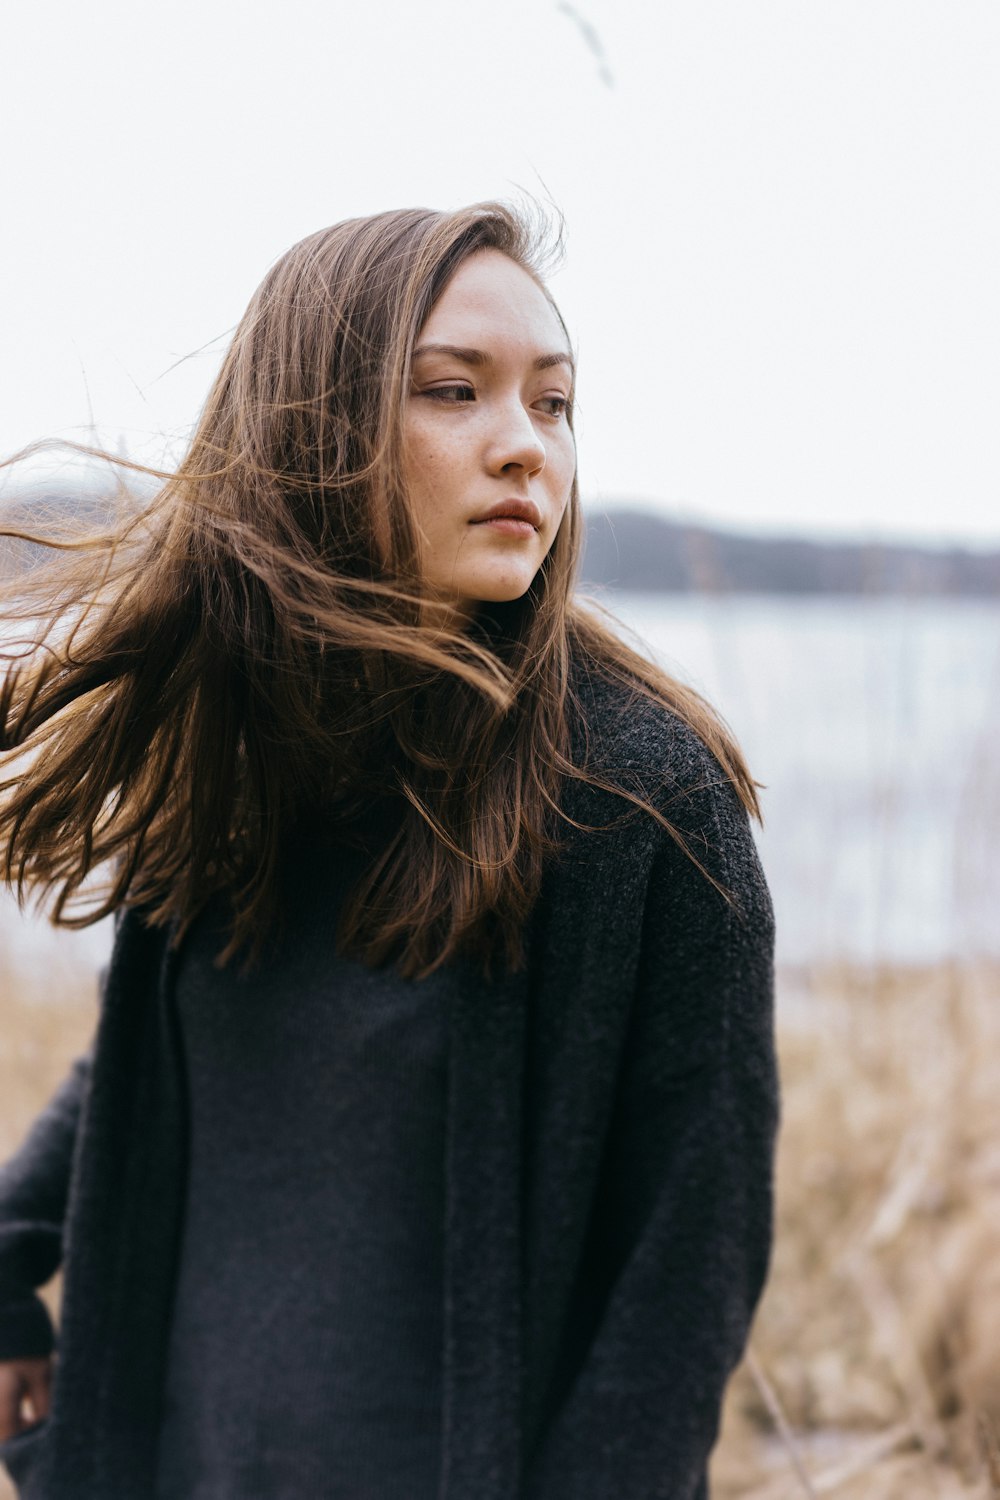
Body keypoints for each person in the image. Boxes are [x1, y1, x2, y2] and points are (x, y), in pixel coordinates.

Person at [0, 201, 779, 1500]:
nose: (523, 445)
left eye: (553, 402)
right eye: (453, 391)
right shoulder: (246, 747)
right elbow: (162, 1048)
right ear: (312, 422)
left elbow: (689, 1260)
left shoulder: (638, 793)